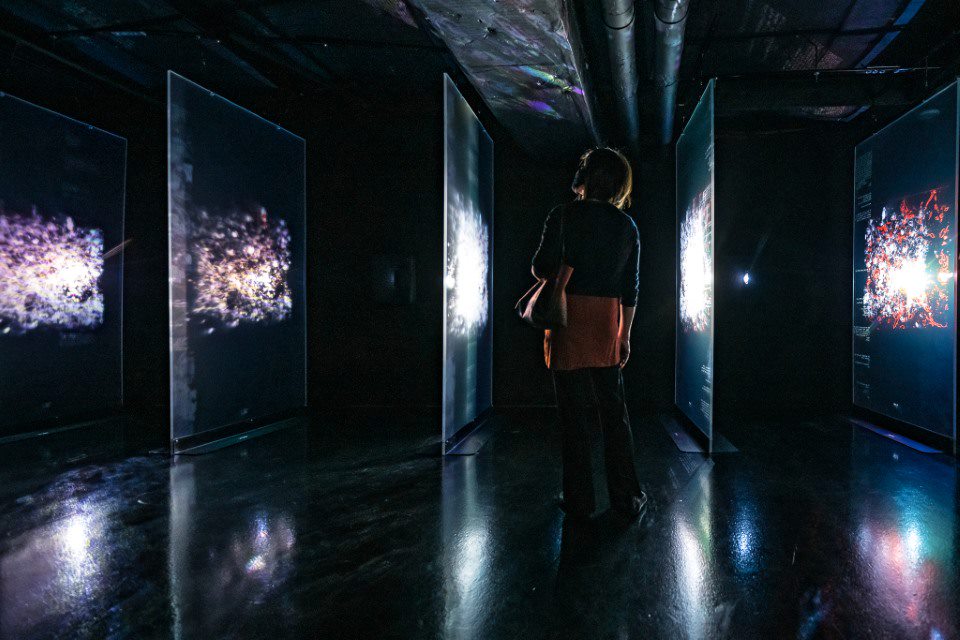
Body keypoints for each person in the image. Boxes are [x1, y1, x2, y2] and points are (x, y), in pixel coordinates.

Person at [531, 147, 646, 521]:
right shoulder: (627, 227)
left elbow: (540, 267)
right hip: (605, 324)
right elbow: (631, 289)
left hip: (567, 321)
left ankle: (580, 501)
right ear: (618, 184)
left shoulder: (562, 215)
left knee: (573, 417)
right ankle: (626, 498)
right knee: (615, 415)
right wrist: (624, 335)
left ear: (586, 176)